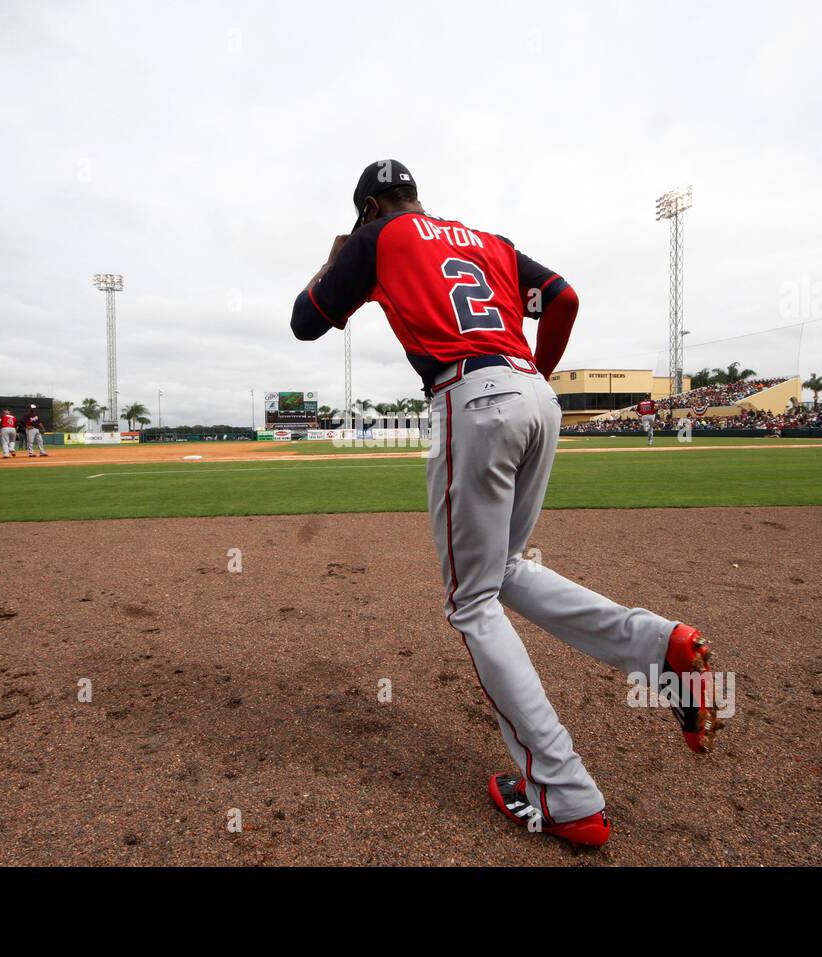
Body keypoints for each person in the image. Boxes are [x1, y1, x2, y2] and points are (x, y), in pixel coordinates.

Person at [290, 159, 721, 849]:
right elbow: (565, 297)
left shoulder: (376, 239)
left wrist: (336, 255)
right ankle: (657, 646)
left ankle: (565, 792)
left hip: (472, 395)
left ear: (370, 206)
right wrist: (533, 379)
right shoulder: (486, 240)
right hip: (532, 393)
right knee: (505, 569)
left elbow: (305, 323)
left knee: (471, 602)